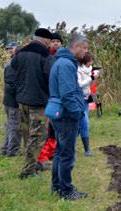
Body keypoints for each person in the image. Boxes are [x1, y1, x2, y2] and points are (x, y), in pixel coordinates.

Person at [11, 28, 55, 179]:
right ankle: (28, 171)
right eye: (50, 41)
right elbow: (51, 77)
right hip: (38, 102)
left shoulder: (20, 52)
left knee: (27, 135)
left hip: (22, 100)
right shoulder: (45, 56)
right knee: (38, 136)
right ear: (47, 41)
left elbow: (13, 69)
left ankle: (34, 163)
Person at [49, 34, 88, 200]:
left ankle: (57, 186)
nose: (86, 52)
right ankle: (66, 190)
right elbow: (67, 94)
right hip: (66, 116)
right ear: (76, 46)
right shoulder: (66, 65)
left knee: (59, 151)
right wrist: (77, 113)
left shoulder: (63, 61)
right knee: (67, 154)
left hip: (60, 114)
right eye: (85, 48)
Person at [37, 33, 62, 170]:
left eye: (58, 41)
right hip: (46, 97)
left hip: (56, 97)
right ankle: (44, 155)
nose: (56, 43)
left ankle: (53, 151)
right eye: (53, 41)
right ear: (49, 43)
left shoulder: (63, 58)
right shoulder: (45, 56)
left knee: (55, 128)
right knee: (48, 128)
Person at [1, 41, 22, 157]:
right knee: (15, 126)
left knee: (10, 125)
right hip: (13, 101)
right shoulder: (13, 66)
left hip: (9, 100)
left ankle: (5, 148)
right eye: (8, 49)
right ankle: (13, 151)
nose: (9, 50)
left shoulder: (12, 64)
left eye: (11, 48)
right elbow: (11, 84)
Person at [77, 52, 99, 155]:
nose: (92, 62)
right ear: (85, 61)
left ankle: (75, 146)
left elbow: (91, 84)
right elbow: (80, 84)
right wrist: (91, 78)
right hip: (79, 99)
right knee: (85, 123)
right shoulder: (79, 70)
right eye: (90, 60)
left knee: (81, 123)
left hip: (86, 98)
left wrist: (94, 77)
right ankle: (87, 150)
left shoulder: (90, 69)